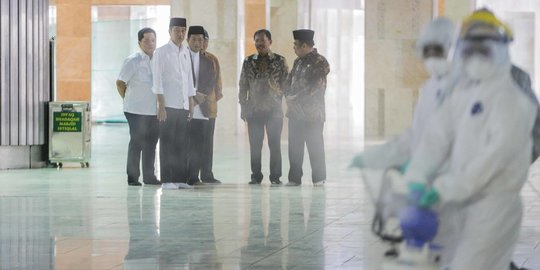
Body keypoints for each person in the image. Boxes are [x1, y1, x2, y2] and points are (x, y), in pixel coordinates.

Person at [403, 9, 536, 269]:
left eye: (483, 49)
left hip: (494, 206)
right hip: (460, 202)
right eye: (470, 49)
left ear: (501, 50)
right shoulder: (464, 93)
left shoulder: (512, 101)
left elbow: (493, 160)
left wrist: (442, 189)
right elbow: (437, 136)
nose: (476, 57)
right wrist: (417, 177)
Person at [349, 18, 456, 171]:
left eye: (437, 51)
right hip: (428, 174)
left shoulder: (463, 88)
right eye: (427, 51)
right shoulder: (430, 88)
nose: (432, 58)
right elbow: (416, 134)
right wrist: (378, 156)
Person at [239, 29, 289, 185]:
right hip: (254, 111)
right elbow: (243, 86)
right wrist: (243, 107)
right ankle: (256, 176)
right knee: (255, 146)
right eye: (257, 41)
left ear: (270, 42)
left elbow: (286, 85)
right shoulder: (248, 61)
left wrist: (286, 104)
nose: (259, 44)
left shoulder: (280, 61)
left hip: (274, 110)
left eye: (262, 40)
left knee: (274, 144)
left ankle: (275, 177)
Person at [152, 18, 196, 190]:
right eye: (177, 30)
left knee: (182, 144)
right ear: (169, 31)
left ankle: (180, 179)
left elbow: (189, 80)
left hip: (183, 105)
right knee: (167, 143)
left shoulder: (185, 52)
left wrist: (191, 104)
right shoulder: (161, 52)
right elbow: (157, 81)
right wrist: (161, 105)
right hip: (168, 106)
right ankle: (167, 180)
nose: (180, 33)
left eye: (183, 30)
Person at [284, 29, 330, 187]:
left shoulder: (320, 62)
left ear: (305, 45)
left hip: (313, 114)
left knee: (315, 145)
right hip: (295, 113)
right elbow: (289, 81)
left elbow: (316, 86)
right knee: (294, 146)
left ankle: (318, 178)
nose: (294, 48)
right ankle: (294, 178)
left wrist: (296, 97)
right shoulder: (298, 61)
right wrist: (288, 94)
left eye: (296, 45)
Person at [116, 27, 161, 186]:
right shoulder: (132, 60)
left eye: (153, 40)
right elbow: (120, 83)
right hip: (135, 110)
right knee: (137, 142)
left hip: (153, 111)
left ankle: (150, 176)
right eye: (147, 40)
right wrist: (127, 99)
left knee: (151, 143)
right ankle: (133, 177)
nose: (150, 43)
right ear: (139, 42)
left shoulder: (158, 60)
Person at [186, 26, 219, 186]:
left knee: (202, 144)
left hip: (204, 106)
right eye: (195, 39)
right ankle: (186, 176)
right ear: (188, 40)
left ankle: (198, 176)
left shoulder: (209, 60)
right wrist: (191, 96)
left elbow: (213, 81)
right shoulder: (182, 56)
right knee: (187, 143)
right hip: (185, 106)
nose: (199, 43)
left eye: (201, 39)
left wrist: (201, 98)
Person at [199, 29, 223, 184]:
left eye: (205, 40)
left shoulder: (212, 59)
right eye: (200, 40)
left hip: (209, 108)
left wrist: (212, 100)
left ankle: (207, 174)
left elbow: (218, 84)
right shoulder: (186, 57)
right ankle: (191, 173)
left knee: (207, 143)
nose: (202, 43)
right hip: (192, 107)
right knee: (192, 142)